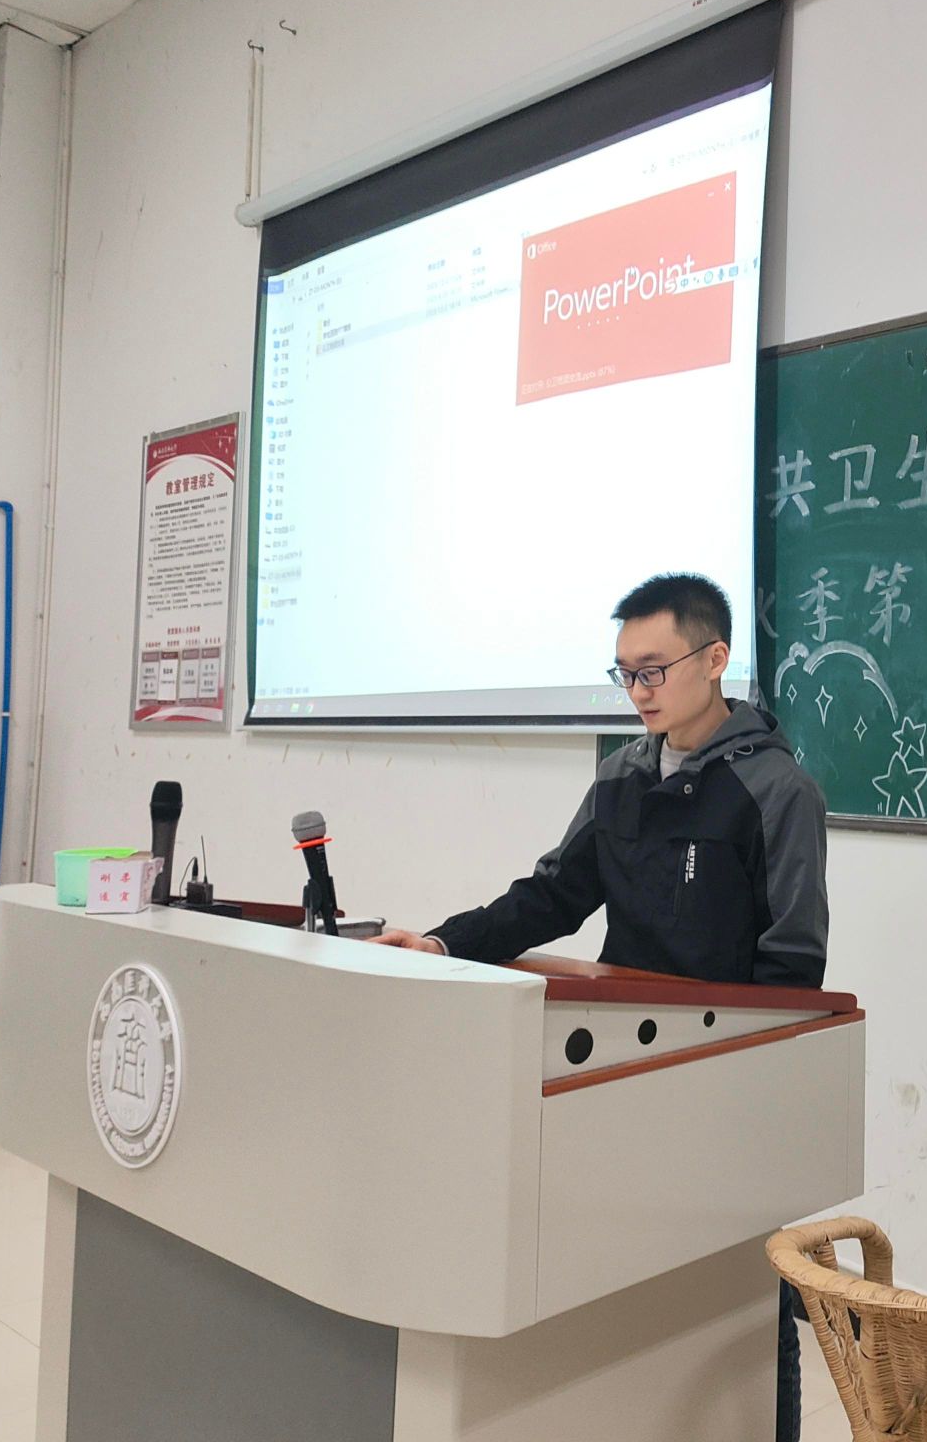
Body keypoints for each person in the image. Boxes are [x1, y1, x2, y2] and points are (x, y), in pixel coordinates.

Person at [371, 571, 827, 1439]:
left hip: (720, 1082)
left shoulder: (777, 792)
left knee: (745, 1287)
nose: (638, 691)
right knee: (633, 1285)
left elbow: (794, 963)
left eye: (654, 670)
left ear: (715, 660)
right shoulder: (621, 777)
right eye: (625, 673)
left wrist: (750, 1097)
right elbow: (552, 895)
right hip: (621, 1067)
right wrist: (440, 943)